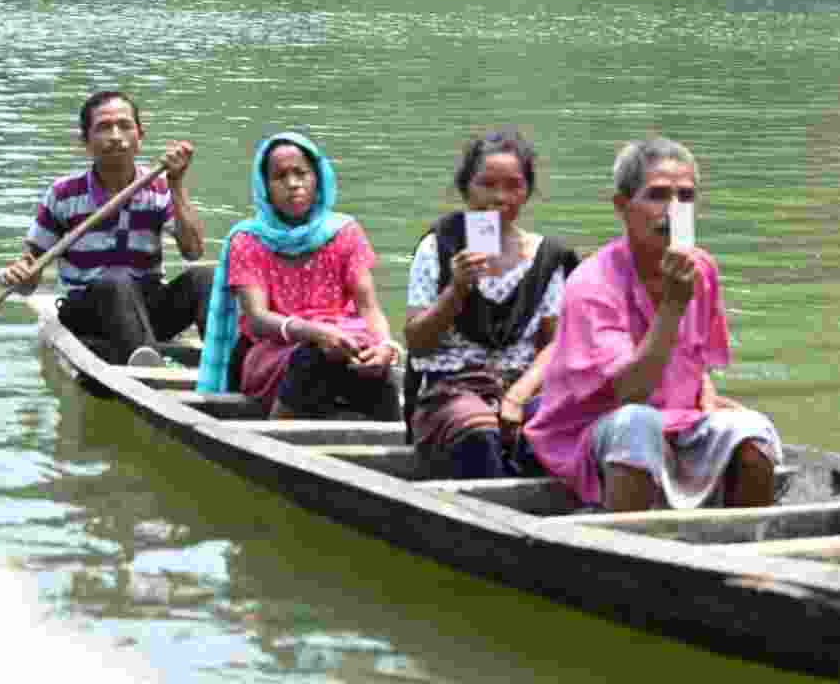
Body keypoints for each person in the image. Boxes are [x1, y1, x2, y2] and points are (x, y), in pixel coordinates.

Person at [522, 137, 781, 512]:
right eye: (657, 195)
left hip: (677, 419)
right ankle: (628, 551)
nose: (673, 210)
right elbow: (631, 392)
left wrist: (707, 401)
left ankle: (748, 548)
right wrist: (672, 307)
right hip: (592, 429)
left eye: (686, 198)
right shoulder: (592, 282)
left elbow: (696, 361)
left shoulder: (701, 268)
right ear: (623, 207)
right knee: (637, 424)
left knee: (753, 430)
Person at [404, 128, 578, 479]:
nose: (499, 198)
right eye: (487, 185)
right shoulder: (439, 247)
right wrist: (457, 289)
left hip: (519, 387)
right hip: (451, 388)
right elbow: (418, 342)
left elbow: (553, 346)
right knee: (479, 427)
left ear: (527, 192)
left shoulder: (547, 258)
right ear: (466, 189)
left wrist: (517, 397)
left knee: (567, 423)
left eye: (513, 186)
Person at [195, 131, 400, 421]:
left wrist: (384, 347)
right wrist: (314, 332)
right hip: (272, 351)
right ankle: (274, 437)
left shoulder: (345, 232)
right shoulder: (248, 239)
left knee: (376, 368)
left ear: (318, 179)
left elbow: (369, 308)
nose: (293, 184)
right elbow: (257, 318)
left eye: (301, 173)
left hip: (342, 342)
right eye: (280, 177)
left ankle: (396, 442)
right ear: (265, 186)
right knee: (313, 357)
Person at [0, 90, 213, 367]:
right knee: (115, 280)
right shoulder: (64, 194)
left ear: (140, 136)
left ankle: (226, 358)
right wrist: (21, 274)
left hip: (147, 311)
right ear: (85, 141)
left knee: (205, 277)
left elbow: (194, 251)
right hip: (91, 314)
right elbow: (29, 280)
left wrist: (177, 184)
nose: (115, 136)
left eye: (125, 125)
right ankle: (148, 369)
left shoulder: (160, 188)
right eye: (103, 127)